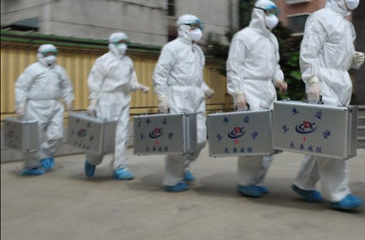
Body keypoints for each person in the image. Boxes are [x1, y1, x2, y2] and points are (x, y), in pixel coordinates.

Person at [291, 0, 365, 211]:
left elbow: (338, 54)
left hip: (341, 80)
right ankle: (337, 194)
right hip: (322, 81)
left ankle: (303, 183)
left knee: (322, 138)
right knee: (333, 137)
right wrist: (312, 80)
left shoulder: (346, 24)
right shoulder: (320, 18)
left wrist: (353, 60)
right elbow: (308, 52)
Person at [226, 0, 288, 198]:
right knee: (252, 139)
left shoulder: (272, 39)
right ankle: (245, 182)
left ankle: (258, 179)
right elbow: (234, 66)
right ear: (259, 13)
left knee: (269, 139)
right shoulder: (243, 36)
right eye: (269, 13)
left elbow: (275, 64)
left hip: (267, 89)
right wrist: (238, 93)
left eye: (275, 13)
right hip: (249, 88)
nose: (273, 18)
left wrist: (278, 79)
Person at [153, 14, 215, 192]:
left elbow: (196, 77)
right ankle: (172, 179)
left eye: (199, 27)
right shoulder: (171, 48)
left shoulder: (198, 51)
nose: (198, 31)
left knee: (200, 138)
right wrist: (162, 97)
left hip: (196, 96)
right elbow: (160, 73)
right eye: (194, 26)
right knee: (179, 140)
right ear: (184, 28)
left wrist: (204, 88)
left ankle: (183, 166)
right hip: (177, 95)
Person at [84, 33, 150, 180]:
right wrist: (93, 101)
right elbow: (95, 82)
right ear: (112, 43)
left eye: (125, 42)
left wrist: (139, 86)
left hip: (123, 101)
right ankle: (91, 160)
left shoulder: (128, 62)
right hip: (106, 101)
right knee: (102, 137)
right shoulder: (103, 61)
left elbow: (131, 82)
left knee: (122, 136)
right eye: (120, 42)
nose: (123, 45)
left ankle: (119, 167)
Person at [14, 44, 74, 176]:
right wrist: (20, 104)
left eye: (53, 54)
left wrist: (69, 100)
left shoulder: (59, 70)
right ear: (40, 55)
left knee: (57, 135)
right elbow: (21, 87)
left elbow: (66, 86)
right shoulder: (32, 69)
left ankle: (45, 155)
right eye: (47, 54)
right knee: (33, 137)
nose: (51, 57)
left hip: (55, 106)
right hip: (35, 106)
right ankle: (32, 166)